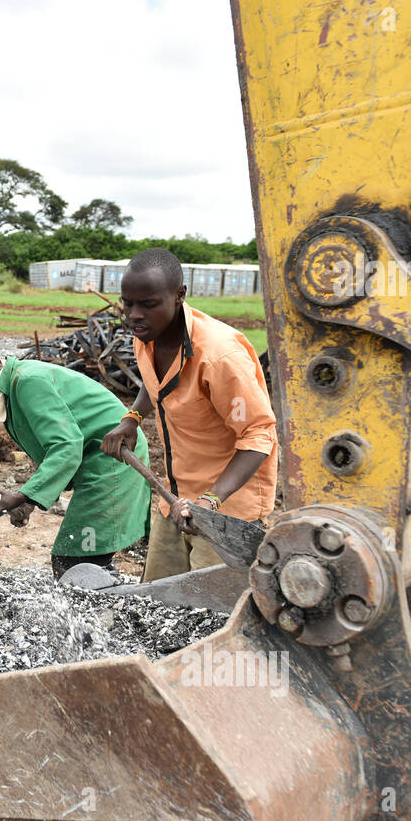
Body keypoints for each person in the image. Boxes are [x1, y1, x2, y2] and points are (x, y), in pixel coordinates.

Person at [101, 247, 277, 581]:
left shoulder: (220, 357)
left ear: (179, 295)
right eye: (128, 303)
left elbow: (258, 435)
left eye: (148, 304)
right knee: (157, 603)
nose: (134, 315)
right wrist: (132, 419)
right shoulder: (147, 336)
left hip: (225, 509)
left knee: (210, 612)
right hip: (175, 498)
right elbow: (156, 381)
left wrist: (210, 502)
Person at [0, 344, 151, 578]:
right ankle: (111, 598)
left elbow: (66, 447)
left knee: (75, 558)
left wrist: (20, 496)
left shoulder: (27, 382)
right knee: (78, 558)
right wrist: (28, 502)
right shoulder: (12, 393)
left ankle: (110, 605)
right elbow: (52, 451)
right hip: (96, 460)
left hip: (115, 459)